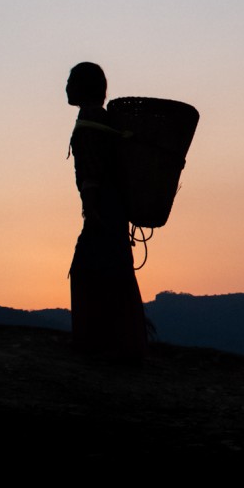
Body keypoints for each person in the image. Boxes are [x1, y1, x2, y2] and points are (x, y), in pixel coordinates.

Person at [66, 62, 147, 362]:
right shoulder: (107, 120)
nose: (66, 87)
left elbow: (91, 170)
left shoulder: (89, 121)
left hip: (103, 209)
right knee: (118, 273)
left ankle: (94, 342)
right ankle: (125, 343)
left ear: (81, 88)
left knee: (88, 271)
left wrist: (91, 208)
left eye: (71, 81)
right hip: (116, 209)